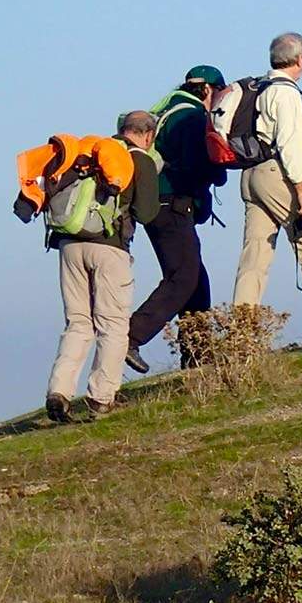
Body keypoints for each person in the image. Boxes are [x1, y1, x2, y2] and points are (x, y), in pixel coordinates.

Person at [45, 112, 161, 420]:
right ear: (148, 135)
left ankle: (59, 390)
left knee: (78, 323)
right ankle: (101, 398)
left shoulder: (90, 154)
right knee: (113, 325)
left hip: (69, 244)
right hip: (109, 249)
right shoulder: (139, 160)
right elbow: (147, 212)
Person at [232, 32, 302, 342]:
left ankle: (242, 335)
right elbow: (292, 145)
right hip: (275, 172)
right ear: (301, 59)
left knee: (255, 255)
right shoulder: (287, 93)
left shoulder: (259, 88)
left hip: (250, 174)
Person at [125, 65, 228, 374]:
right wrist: (220, 171)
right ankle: (130, 336)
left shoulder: (170, 108)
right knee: (182, 278)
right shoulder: (192, 116)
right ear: (208, 90)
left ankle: (197, 358)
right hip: (172, 205)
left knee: (195, 279)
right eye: (220, 93)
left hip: (157, 204)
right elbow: (196, 166)